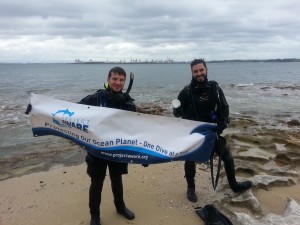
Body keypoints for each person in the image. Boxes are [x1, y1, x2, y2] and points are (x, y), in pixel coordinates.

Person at [173, 59, 252, 202]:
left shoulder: (215, 89)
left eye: (201, 70)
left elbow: (225, 108)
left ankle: (234, 185)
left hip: (212, 133)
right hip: (195, 133)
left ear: (206, 70)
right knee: (190, 160)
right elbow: (177, 115)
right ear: (192, 73)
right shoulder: (186, 92)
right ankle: (191, 188)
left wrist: (224, 122)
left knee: (227, 157)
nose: (199, 73)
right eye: (195, 71)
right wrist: (176, 109)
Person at [79, 67, 136, 225]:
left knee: (117, 179)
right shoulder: (95, 99)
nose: (118, 83)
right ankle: (95, 215)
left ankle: (120, 207)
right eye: (115, 79)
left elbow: (136, 129)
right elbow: (73, 112)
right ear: (108, 79)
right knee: (96, 182)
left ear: (125, 82)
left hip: (117, 150)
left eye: (121, 80)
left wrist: (143, 155)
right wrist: (41, 110)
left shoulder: (128, 102)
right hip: (96, 150)